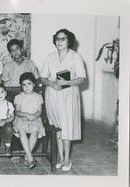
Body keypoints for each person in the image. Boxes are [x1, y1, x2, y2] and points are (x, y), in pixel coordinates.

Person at [40, 29, 86, 171]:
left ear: (69, 41)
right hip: (52, 94)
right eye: (57, 39)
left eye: (63, 39)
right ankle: (60, 157)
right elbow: (42, 77)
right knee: (57, 126)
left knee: (67, 126)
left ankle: (67, 159)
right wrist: (52, 83)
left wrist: (65, 83)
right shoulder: (49, 57)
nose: (59, 41)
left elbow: (81, 78)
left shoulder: (75, 57)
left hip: (69, 95)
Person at [14, 72, 46, 169]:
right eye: (24, 84)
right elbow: (17, 111)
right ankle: (30, 156)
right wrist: (26, 115)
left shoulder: (38, 97)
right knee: (21, 130)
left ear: (34, 84)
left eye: (29, 84)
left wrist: (32, 116)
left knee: (35, 131)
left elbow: (39, 112)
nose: (27, 87)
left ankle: (27, 156)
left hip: (35, 118)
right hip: (21, 118)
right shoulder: (19, 97)